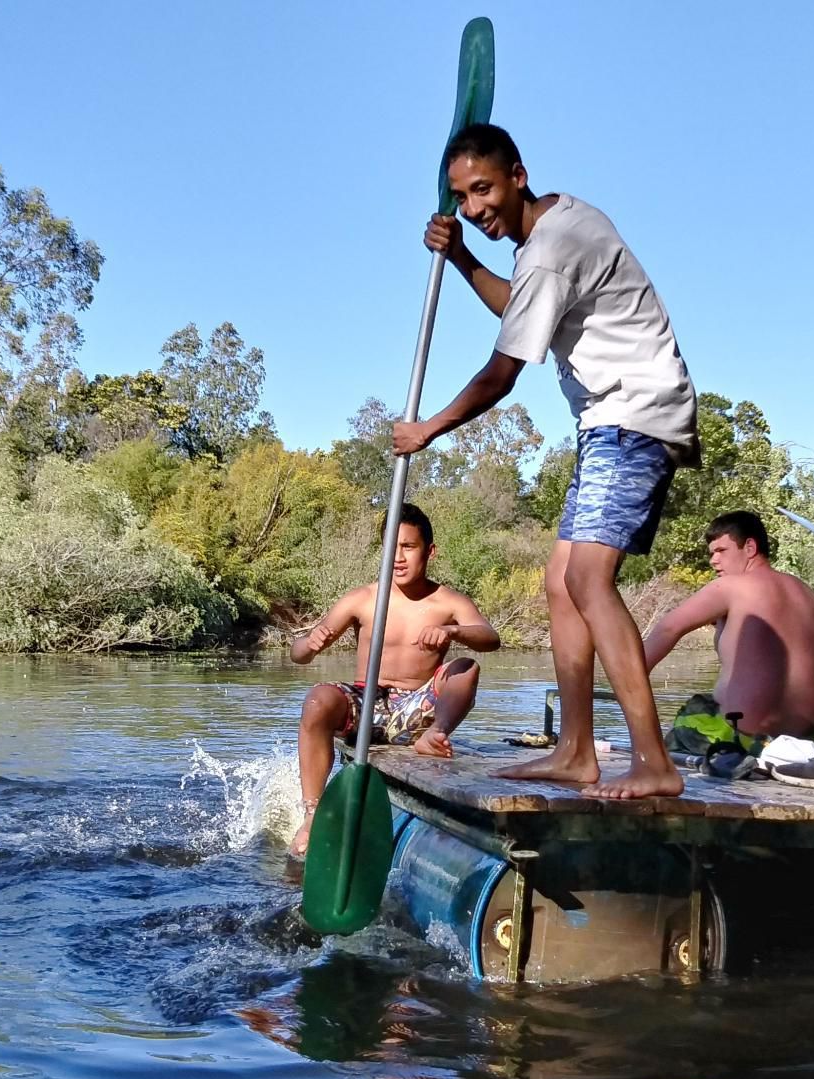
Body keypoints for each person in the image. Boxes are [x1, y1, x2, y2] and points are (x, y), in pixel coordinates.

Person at [392, 122, 697, 800]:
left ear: (518, 176)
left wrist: (430, 429)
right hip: (606, 421)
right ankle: (576, 751)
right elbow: (522, 311)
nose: (475, 207)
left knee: (589, 579)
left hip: (635, 415)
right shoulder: (547, 240)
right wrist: (467, 258)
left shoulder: (553, 246)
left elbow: (503, 372)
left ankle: (654, 763)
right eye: (462, 198)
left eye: (483, 190)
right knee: (560, 582)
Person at [288, 504, 499, 857]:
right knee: (317, 700)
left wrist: (453, 630)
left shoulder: (447, 601)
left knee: (466, 667)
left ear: (429, 551)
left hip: (415, 711)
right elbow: (298, 654)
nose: (397, 557)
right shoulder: (364, 598)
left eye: (408, 547)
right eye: (390, 547)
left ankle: (435, 736)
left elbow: (490, 638)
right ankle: (312, 814)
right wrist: (309, 645)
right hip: (365, 705)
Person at [642, 511, 814, 751]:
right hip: (805, 744)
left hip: (740, 738)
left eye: (721, 551)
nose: (713, 560)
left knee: (694, 712)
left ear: (749, 547)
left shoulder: (729, 588)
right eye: (712, 553)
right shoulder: (809, 597)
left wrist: (631, 683)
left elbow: (669, 628)